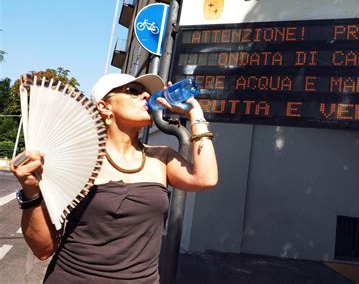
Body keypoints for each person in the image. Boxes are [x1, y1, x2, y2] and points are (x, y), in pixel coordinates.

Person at [9, 73, 218, 283]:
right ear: (104, 106)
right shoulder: (78, 161)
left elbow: (206, 178)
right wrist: (31, 191)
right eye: (133, 91)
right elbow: (44, 249)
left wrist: (195, 114)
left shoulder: (162, 157)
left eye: (147, 92)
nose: (146, 95)